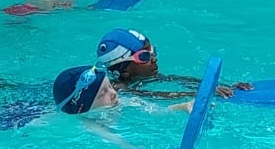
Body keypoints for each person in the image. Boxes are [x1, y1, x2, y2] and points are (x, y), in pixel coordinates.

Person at [95, 28, 253, 102]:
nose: (154, 58)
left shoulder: (143, 77)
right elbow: (155, 95)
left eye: (152, 51)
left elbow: (174, 79)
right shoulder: (117, 89)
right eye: (145, 56)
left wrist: (221, 86)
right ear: (124, 71)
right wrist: (201, 94)